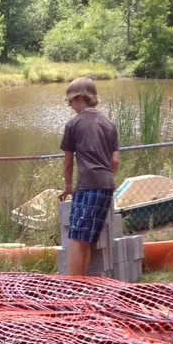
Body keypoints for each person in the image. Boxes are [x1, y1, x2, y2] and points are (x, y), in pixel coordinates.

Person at [59, 77, 120, 276]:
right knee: (88, 238)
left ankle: (73, 286)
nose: (69, 105)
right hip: (107, 185)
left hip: (88, 185)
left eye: (70, 101)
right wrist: (107, 178)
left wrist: (68, 187)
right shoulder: (109, 124)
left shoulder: (73, 124)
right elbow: (115, 161)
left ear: (79, 98)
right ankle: (83, 284)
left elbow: (68, 162)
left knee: (76, 237)